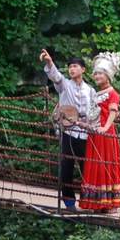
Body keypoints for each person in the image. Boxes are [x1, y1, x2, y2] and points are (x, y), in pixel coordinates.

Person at [40, 49, 94, 210]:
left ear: (83, 69)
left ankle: (87, 201)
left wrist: (89, 120)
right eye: (70, 67)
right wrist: (49, 62)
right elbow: (55, 76)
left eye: (75, 66)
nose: (71, 69)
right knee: (66, 167)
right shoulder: (64, 85)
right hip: (68, 132)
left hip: (85, 133)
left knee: (87, 167)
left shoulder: (90, 90)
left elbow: (95, 111)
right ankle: (69, 202)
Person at [80, 52, 120, 211]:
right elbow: (94, 113)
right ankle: (97, 202)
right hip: (95, 133)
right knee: (95, 165)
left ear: (108, 75)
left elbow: (113, 112)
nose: (96, 76)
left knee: (104, 165)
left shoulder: (113, 93)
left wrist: (105, 128)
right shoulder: (96, 93)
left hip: (105, 135)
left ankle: (109, 203)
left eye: (100, 73)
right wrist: (84, 124)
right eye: (95, 73)